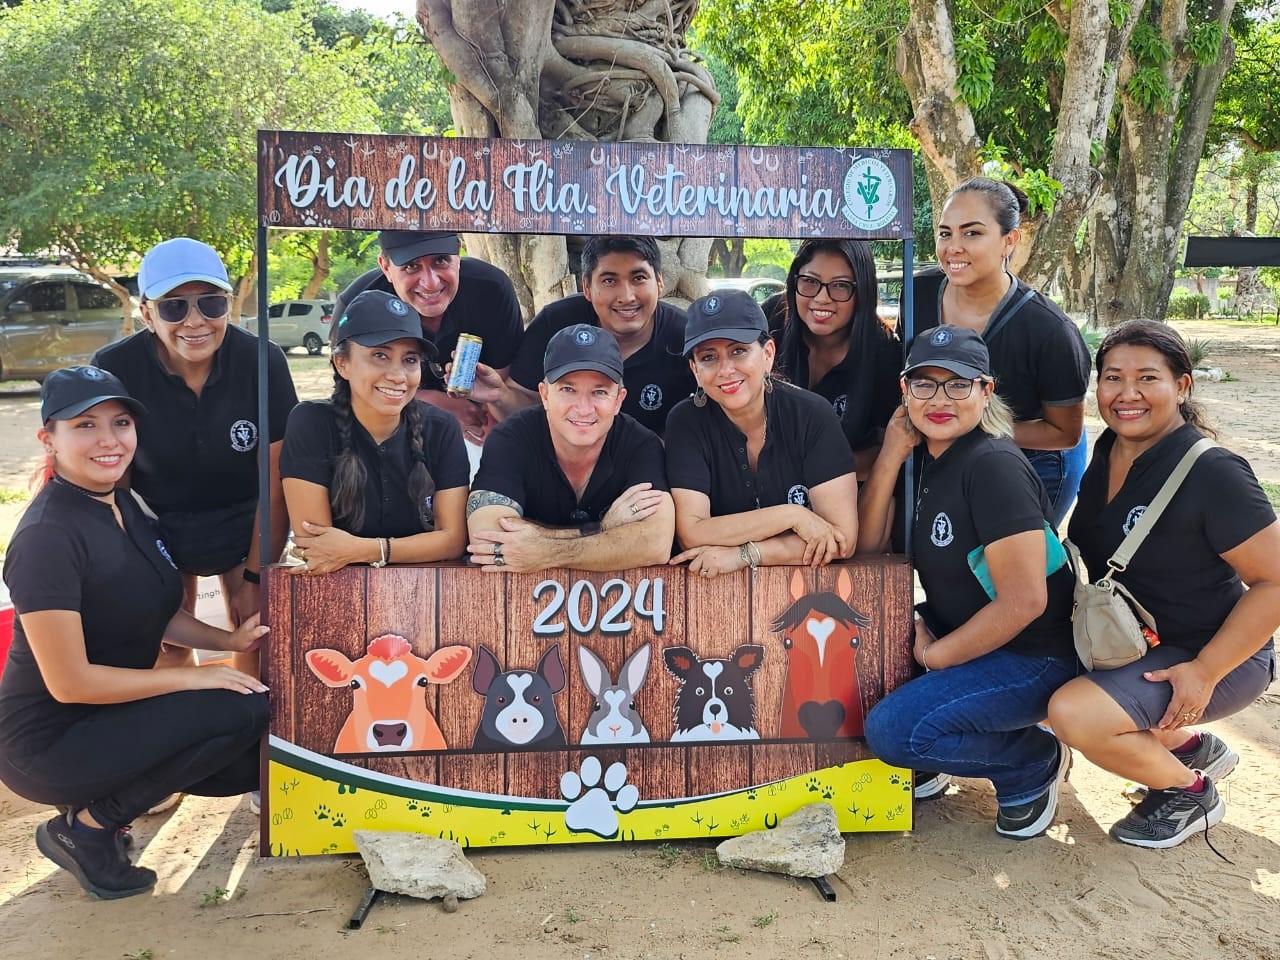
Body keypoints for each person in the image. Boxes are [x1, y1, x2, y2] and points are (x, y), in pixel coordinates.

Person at [0, 367, 269, 900]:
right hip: (47, 743)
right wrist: (195, 678)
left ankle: (97, 811)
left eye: (120, 423)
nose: (109, 439)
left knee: (246, 759)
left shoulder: (122, 503)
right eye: (85, 425)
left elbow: (152, 611)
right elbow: (71, 684)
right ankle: (88, 827)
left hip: (105, 718)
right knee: (242, 711)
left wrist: (228, 643)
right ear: (48, 438)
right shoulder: (47, 537)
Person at [1047, 320, 1280, 850]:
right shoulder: (1108, 449)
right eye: (1112, 377)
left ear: (1182, 386)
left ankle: (1190, 792)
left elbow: (1275, 583)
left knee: (1073, 713)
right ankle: (1189, 747)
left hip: (1217, 654)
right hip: (1133, 638)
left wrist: (1205, 671)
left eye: (1147, 378)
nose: (1126, 394)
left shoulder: (1214, 473)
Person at [860, 326, 1079, 839]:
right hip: (971, 636)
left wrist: (937, 657)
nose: (940, 400)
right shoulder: (927, 459)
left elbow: (1025, 601)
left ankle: (1031, 761)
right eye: (925, 384)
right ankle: (942, 750)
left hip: (1034, 656)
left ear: (986, 391)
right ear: (904, 390)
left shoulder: (993, 465)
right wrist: (890, 455)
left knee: (892, 731)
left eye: (959, 385)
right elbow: (868, 550)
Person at [93, 238, 297, 662]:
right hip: (157, 523)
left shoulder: (263, 361)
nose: (195, 321)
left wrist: (256, 578)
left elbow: (276, 483)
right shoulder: (115, 369)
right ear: (147, 314)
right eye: (173, 307)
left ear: (229, 306)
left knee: (257, 638)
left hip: (246, 520)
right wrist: (147, 573)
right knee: (168, 646)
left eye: (211, 303)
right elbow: (115, 488)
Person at [912, 178, 1090, 525]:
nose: (954, 247)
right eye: (945, 233)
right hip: (947, 454)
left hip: (1035, 460)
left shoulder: (1049, 330)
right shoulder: (917, 293)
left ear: (1009, 240)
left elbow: (1065, 433)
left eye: (972, 233)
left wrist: (966, 427)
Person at [664, 291, 858, 578]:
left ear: (767, 354)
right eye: (708, 357)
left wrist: (746, 554)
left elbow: (841, 540)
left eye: (738, 351)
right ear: (695, 370)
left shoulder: (812, 415)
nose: (725, 370)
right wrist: (792, 516)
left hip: (809, 591)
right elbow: (692, 533)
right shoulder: (685, 421)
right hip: (716, 590)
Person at [281, 291, 470, 573]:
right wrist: (415, 548)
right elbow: (318, 548)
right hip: (337, 588)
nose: (398, 376)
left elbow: (453, 541)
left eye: (410, 360)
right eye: (380, 355)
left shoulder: (441, 428)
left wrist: (365, 550)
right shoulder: (311, 423)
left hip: (427, 589)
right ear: (342, 363)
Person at [466, 324, 674, 572]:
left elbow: (656, 543)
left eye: (599, 392)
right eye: (568, 389)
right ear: (544, 395)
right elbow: (487, 539)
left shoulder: (641, 444)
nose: (583, 408)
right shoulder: (511, 438)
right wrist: (603, 529)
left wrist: (544, 550)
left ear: (619, 400)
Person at [471, 235, 696, 436]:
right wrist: (500, 396)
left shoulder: (686, 336)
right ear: (586, 287)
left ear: (659, 281)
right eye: (609, 281)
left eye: (638, 278)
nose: (627, 296)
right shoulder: (555, 324)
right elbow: (522, 404)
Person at [335, 230, 523, 445]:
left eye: (440, 260)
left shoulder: (491, 289)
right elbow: (348, 393)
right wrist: (433, 404)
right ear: (386, 267)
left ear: (458, 255)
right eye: (411, 266)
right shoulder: (356, 306)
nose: (430, 283)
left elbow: (502, 383)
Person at [775, 239, 901, 474]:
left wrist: (815, 467)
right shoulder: (773, 319)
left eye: (840, 285)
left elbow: (888, 449)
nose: (822, 298)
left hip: (847, 485)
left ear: (862, 291)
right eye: (810, 281)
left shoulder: (885, 356)